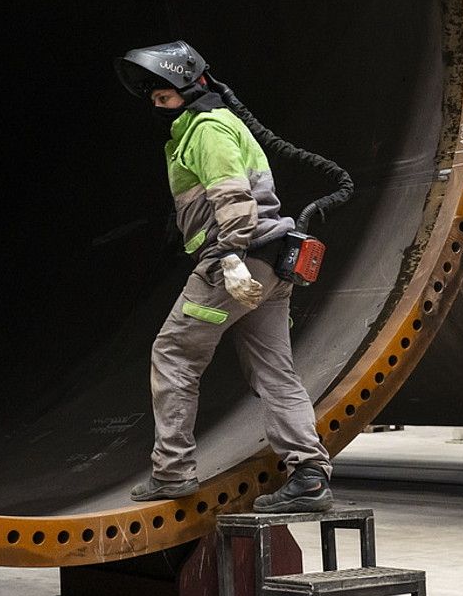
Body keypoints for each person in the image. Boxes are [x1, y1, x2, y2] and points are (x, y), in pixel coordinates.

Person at [115, 41, 333, 514]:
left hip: (237, 260)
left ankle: (172, 472)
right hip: (274, 266)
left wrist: (228, 258)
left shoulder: (208, 128)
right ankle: (309, 475)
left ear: (192, 88)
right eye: (153, 99)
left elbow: (232, 199)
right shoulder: (219, 123)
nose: (158, 105)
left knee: (173, 354)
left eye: (165, 97)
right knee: (275, 370)